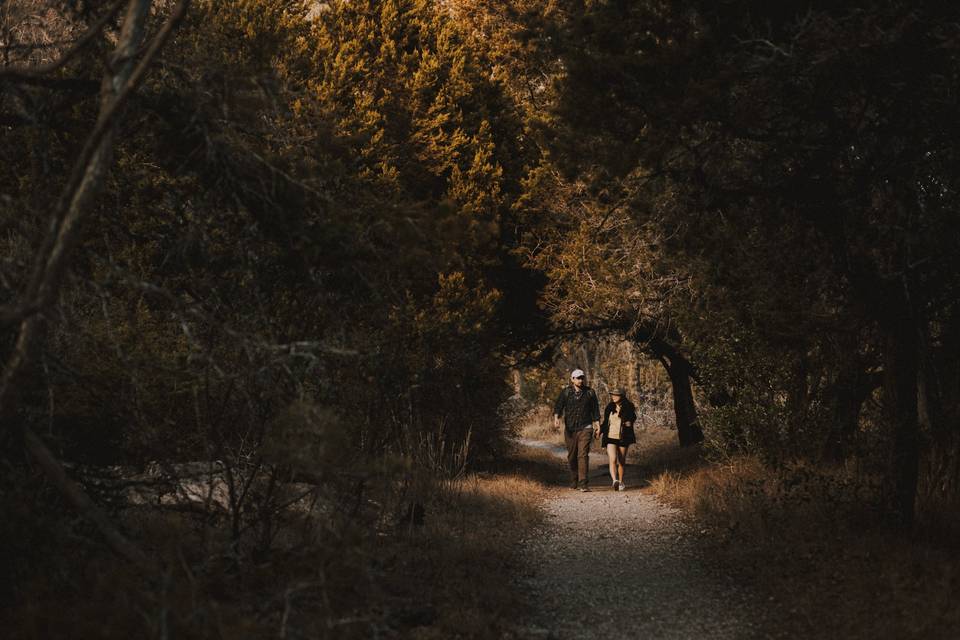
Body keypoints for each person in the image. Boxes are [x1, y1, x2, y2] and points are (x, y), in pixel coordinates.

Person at [553, 369, 600, 491]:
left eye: (582, 378)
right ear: (572, 379)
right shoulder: (566, 392)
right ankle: (574, 479)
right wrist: (556, 419)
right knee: (572, 456)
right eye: (578, 378)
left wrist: (597, 425)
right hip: (570, 429)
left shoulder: (590, 392)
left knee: (583, 455)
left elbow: (595, 410)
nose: (580, 380)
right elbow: (558, 406)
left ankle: (583, 483)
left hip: (586, 427)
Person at [600, 388, 637, 491]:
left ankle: (621, 482)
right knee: (612, 459)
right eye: (612, 395)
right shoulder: (609, 407)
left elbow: (633, 417)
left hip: (623, 437)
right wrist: (599, 431)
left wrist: (629, 422)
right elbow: (605, 423)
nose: (614, 397)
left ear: (622, 396)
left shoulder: (629, 407)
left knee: (621, 461)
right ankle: (614, 480)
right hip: (610, 437)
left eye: (617, 395)